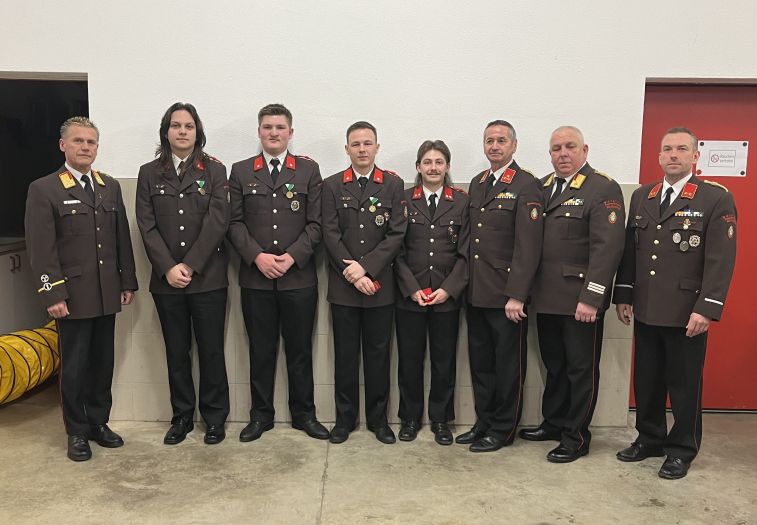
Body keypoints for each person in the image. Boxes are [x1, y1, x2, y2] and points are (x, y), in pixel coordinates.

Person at [613, 127, 737, 479]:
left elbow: (720, 259)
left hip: (687, 310)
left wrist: (707, 308)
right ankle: (649, 438)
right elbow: (631, 251)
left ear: (695, 156)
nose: (673, 155)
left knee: (684, 385)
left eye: (682, 149)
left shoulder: (715, 198)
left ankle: (682, 449)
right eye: (667, 149)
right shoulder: (644, 195)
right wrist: (624, 294)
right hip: (647, 306)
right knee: (647, 379)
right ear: (659, 155)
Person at [25, 116, 137, 461]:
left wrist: (127, 281)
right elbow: (41, 249)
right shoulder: (44, 189)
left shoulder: (108, 186)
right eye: (78, 141)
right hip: (71, 296)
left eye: (90, 142)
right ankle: (76, 432)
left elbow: (121, 238)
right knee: (74, 367)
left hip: (106, 292)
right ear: (63, 145)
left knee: (103, 364)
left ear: (97, 148)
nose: (85, 147)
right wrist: (52, 294)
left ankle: (98, 423)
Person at [522, 125, 625, 463]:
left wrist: (592, 298)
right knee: (555, 365)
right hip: (547, 298)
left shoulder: (602, 188)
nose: (563, 154)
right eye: (556, 148)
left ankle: (576, 437)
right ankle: (554, 423)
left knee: (581, 370)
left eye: (570, 146)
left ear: (585, 150)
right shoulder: (543, 188)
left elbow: (607, 250)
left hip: (580, 301)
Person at [228, 103, 329, 442]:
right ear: (259, 131)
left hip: (298, 278)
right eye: (268, 127)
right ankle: (261, 416)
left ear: (290, 132)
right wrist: (257, 256)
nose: (274, 132)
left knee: (300, 351)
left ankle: (304, 415)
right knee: (261, 350)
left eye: (280, 127)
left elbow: (317, 224)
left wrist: (291, 257)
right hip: (256, 279)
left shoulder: (308, 171)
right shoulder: (241, 171)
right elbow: (233, 222)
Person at [136, 102, 230, 445]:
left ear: (197, 132)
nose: (182, 131)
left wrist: (189, 265)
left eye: (189, 126)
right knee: (176, 352)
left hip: (207, 278)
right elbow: (146, 225)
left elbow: (218, 221)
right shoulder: (149, 172)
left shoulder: (215, 170)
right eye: (176, 125)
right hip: (167, 282)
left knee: (211, 351)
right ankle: (181, 417)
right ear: (166, 132)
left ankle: (215, 418)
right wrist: (168, 267)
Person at [456, 120, 543, 452]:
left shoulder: (526, 184)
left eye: (501, 141)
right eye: (489, 140)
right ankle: (485, 421)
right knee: (482, 364)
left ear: (514, 146)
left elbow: (528, 246)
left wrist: (517, 294)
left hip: (507, 296)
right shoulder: (478, 183)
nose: (494, 146)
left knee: (508, 367)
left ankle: (504, 429)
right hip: (477, 292)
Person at [322, 121, 407, 444]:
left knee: (378, 357)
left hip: (378, 287)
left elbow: (396, 233)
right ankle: (344, 421)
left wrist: (366, 269)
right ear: (347, 149)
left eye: (367, 143)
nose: (362, 149)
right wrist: (352, 273)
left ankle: (378, 421)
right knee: (345, 358)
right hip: (344, 288)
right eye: (355, 144)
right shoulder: (332, 185)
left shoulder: (393, 185)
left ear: (377, 147)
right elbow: (330, 233)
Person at [394, 140, 469, 445]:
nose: (433, 167)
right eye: (427, 162)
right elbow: (395, 250)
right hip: (410, 297)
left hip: (445, 298)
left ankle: (440, 420)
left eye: (439, 162)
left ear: (447, 166)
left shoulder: (461, 202)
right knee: (409, 361)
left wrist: (449, 290)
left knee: (443, 362)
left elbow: (466, 253)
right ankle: (410, 418)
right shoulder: (403, 200)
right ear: (418, 167)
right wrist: (411, 289)